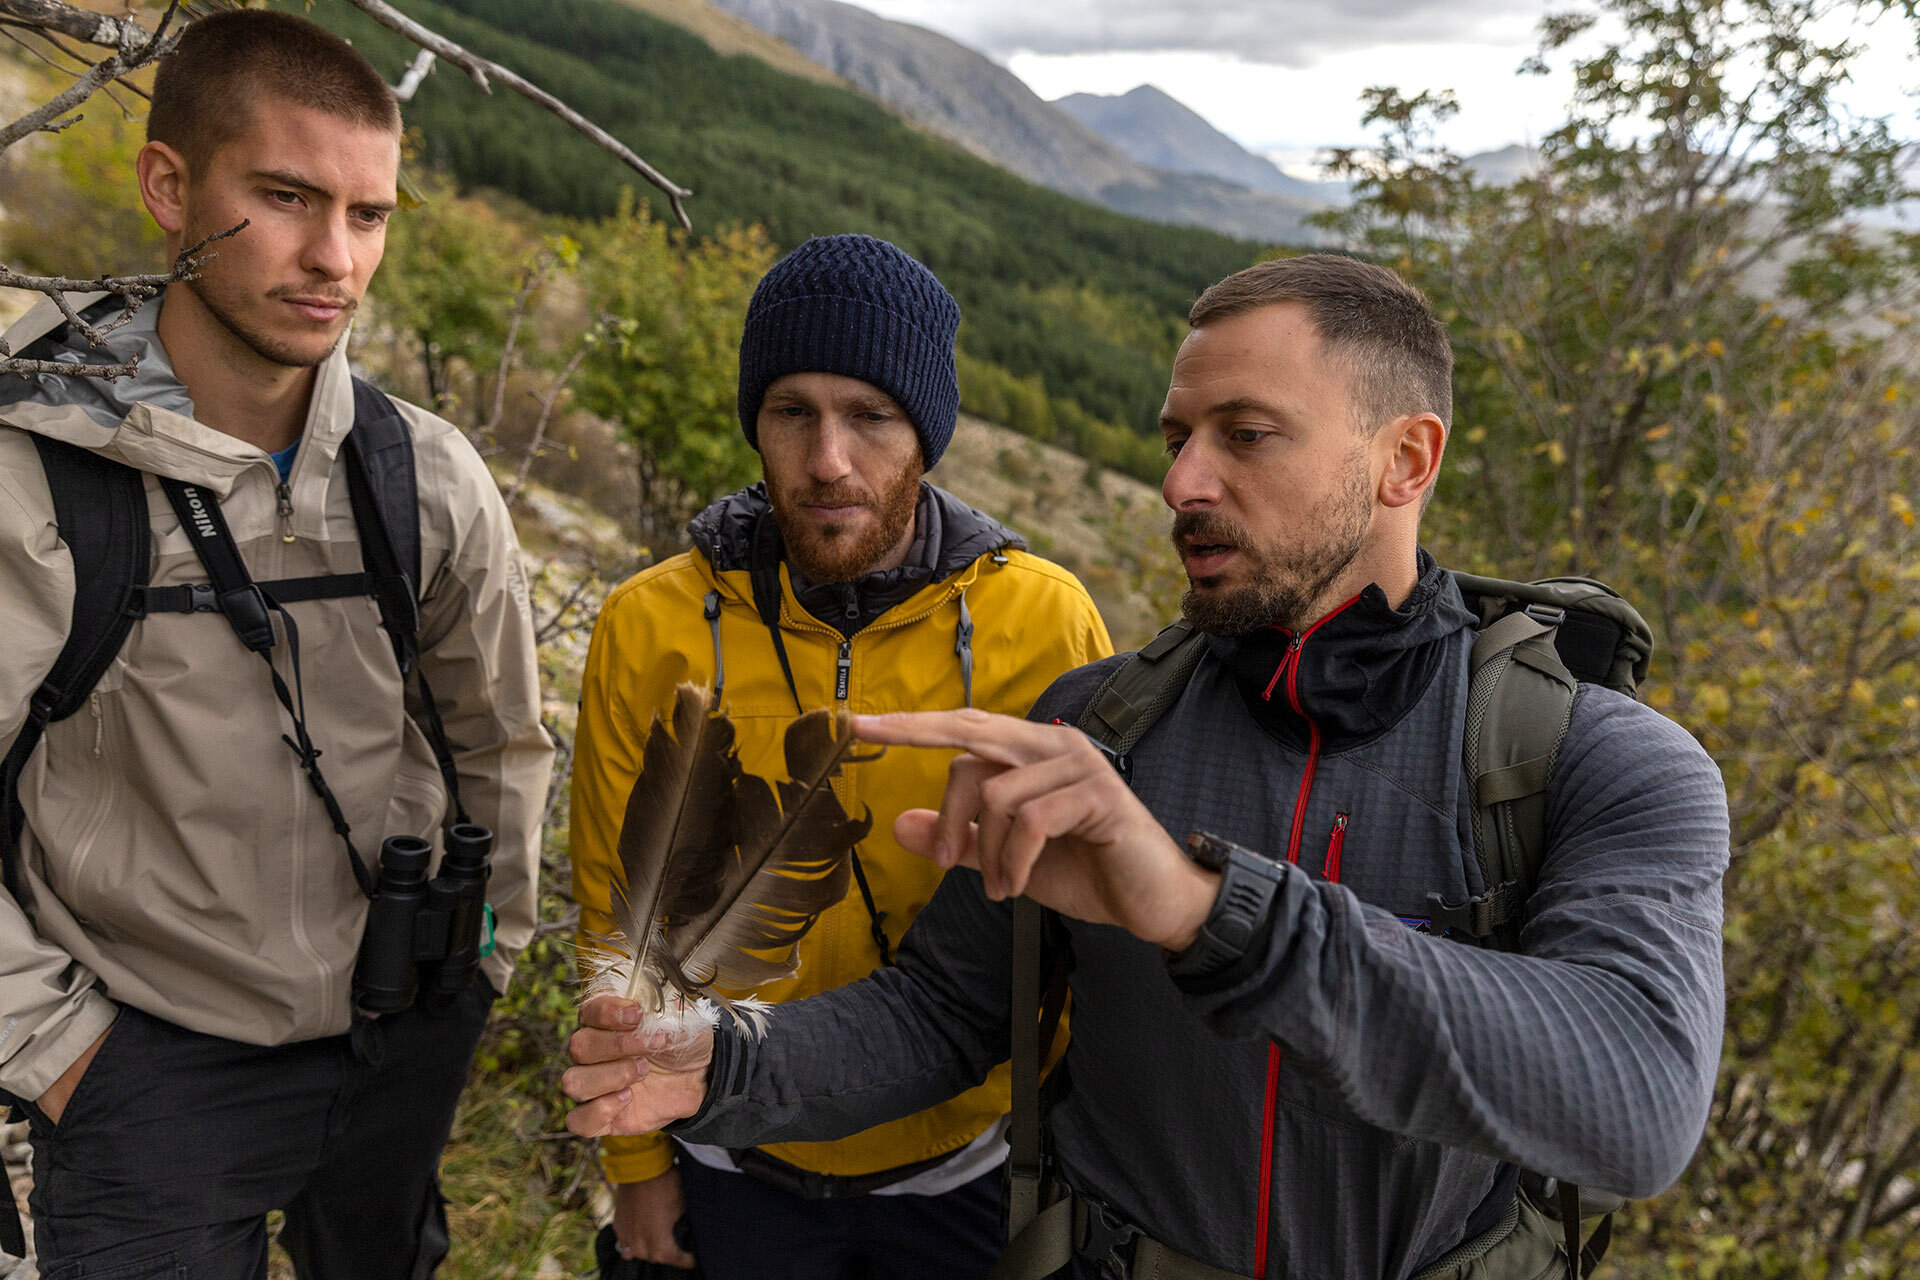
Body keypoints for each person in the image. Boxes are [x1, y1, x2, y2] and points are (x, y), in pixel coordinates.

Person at [561, 255, 1731, 1279]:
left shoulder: (1592, 757)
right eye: (1178, 440)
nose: (1182, 483)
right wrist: (715, 1064)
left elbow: (1635, 1099)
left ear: (1405, 459)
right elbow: (947, 1010)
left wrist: (1205, 907)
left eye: (1246, 434)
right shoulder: (1105, 721)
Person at [0, 11, 551, 1277]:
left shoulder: (426, 478)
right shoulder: (38, 480)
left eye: (370, 214)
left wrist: (477, 975)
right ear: (167, 185)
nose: (334, 259)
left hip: (397, 1031)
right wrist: (60, 1049)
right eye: (288, 197)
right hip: (144, 1064)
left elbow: (502, 747)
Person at [567, 233, 1113, 1279]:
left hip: (971, 1170)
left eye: (871, 415)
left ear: (929, 433)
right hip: (729, 1157)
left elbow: (1082, 931)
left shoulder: (1043, 620)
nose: (828, 460)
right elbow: (615, 907)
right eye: (792, 413)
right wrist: (636, 1167)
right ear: (755, 425)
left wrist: (1074, 1157)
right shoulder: (654, 623)